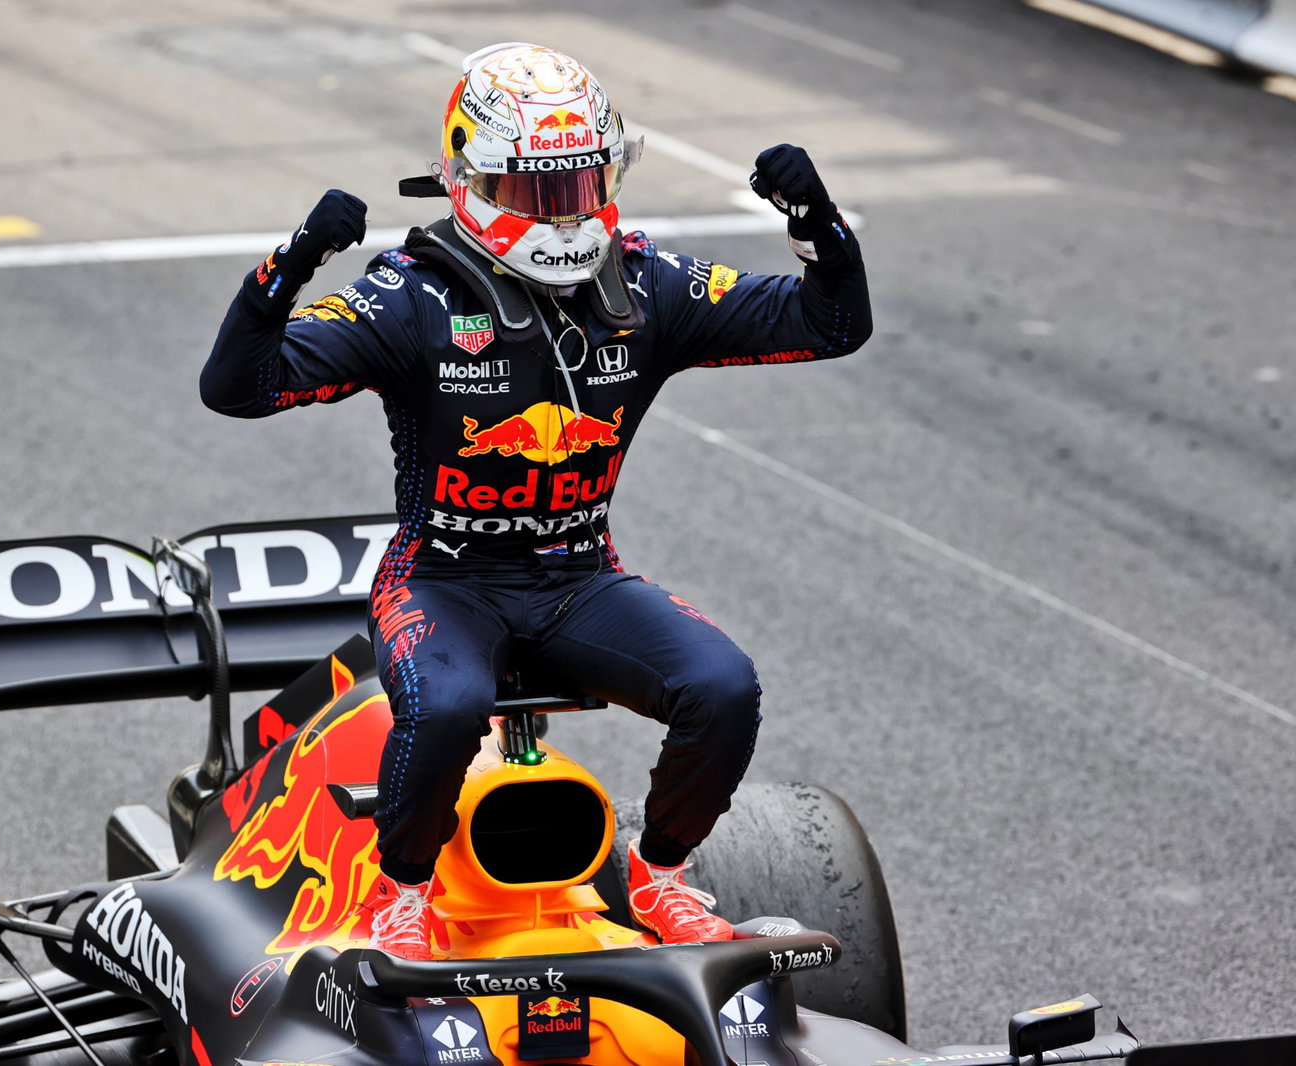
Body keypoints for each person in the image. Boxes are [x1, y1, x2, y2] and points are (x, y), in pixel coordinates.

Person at [200, 42, 870, 961]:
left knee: (722, 685)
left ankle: (660, 877)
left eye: (579, 186)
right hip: (440, 582)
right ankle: (403, 894)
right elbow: (238, 385)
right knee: (444, 709)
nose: (564, 215)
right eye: (537, 193)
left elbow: (830, 324)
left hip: (577, 579)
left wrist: (819, 226)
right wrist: (287, 268)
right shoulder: (410, 297)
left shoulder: (647, 287)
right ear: (471, 182)